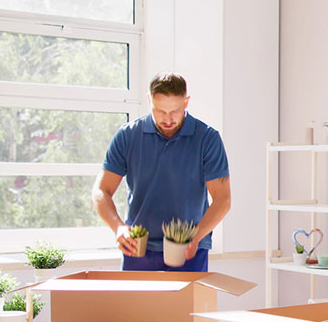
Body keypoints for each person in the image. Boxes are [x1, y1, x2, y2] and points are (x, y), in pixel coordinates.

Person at [92, 73, 231, 271]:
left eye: (175, 111)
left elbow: (223, 199)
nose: (168, 119)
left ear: (186, 102)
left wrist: (196, 236)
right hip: (137, 248)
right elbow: (101, 191)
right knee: (135, 303)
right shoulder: (128, 135)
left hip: (188, 248)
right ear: (150, 101)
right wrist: (118, 228)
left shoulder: (207, 138)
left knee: (187, 304)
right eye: (160, 111)